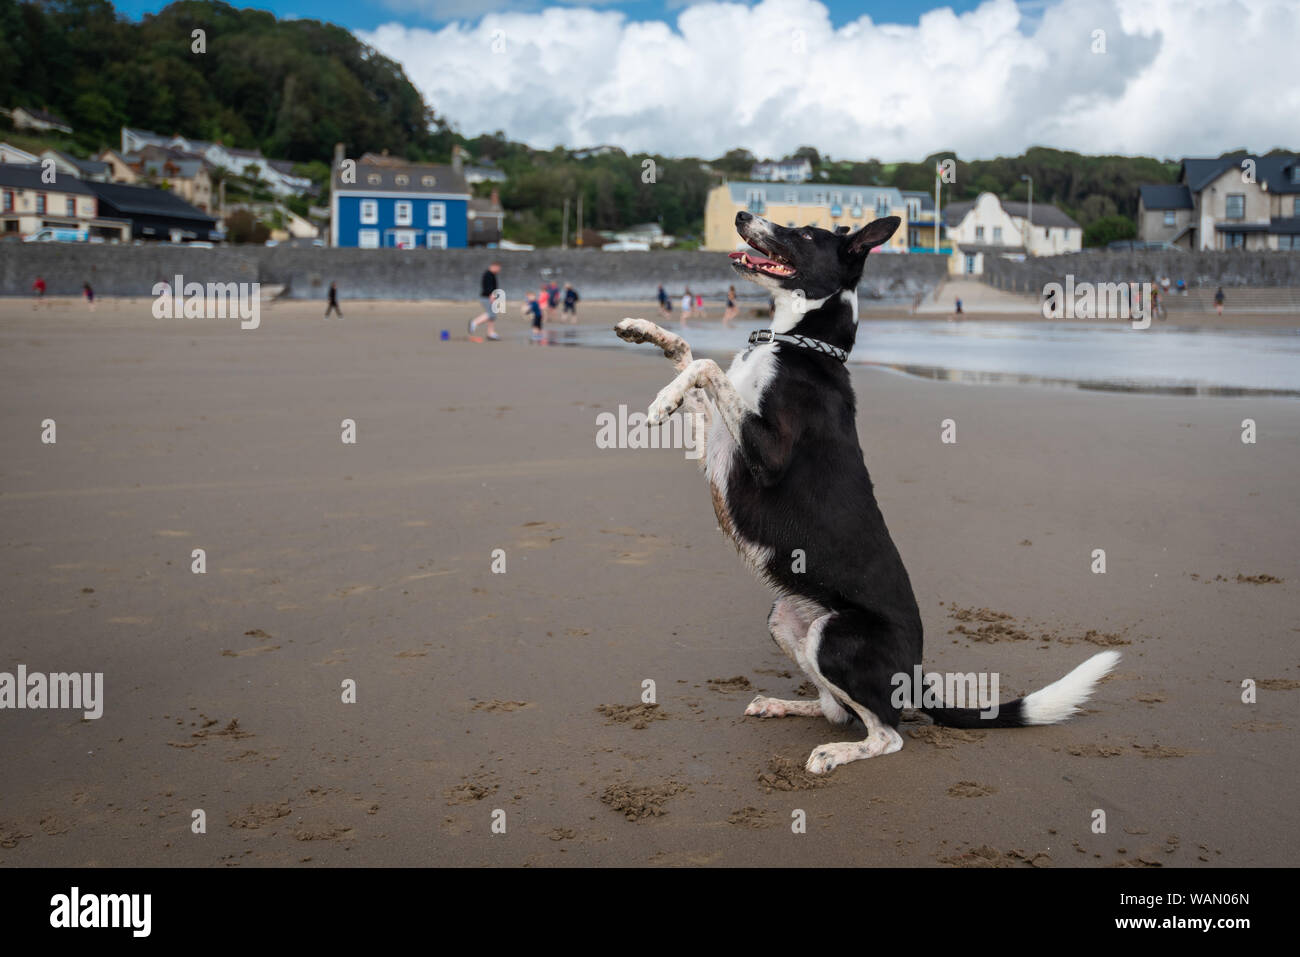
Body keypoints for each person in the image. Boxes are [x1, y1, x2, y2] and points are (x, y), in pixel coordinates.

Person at [468, 262, 502, 340]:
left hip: (488, 297)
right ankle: (474, 322)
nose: (499, 270)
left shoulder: (491, 274)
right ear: (494, 266)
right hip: (487, 297)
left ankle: (490, 333)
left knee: (492, 316)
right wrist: (492, 296)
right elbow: (488, 287)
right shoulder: (488, 275)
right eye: (498, 268)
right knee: (491, 314)